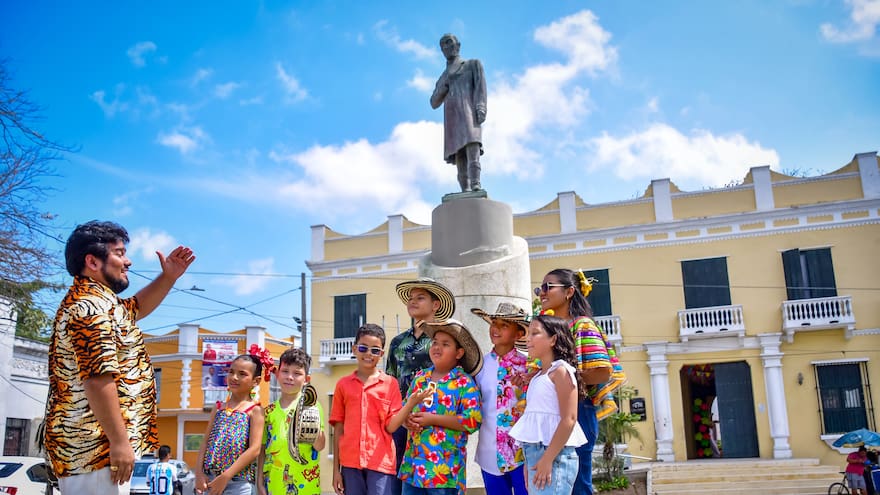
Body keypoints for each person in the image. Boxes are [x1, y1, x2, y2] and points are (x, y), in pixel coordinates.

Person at [43, 220, 196, 495]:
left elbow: (136, 308)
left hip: (98, 452)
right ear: (92, 261)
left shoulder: (102, 302)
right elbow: (97, 378)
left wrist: (169, 277)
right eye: (119, 253)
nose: (128, 261)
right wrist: (119, 442)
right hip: (93, 450)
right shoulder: (88, 307)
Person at [535, 268, 625, 495]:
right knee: (555, 481)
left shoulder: (581, 325)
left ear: (569, 292)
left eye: (548, 287)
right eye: (539, 289)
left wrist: (563, 379)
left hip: (578, 408)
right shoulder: (548, 329)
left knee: (575, 480)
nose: (541, 293)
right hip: (550, 410)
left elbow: (603, 372)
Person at [386, 278, 456, 495]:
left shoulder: (444, 339)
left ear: (435, 305)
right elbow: (390, 383)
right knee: (401, 480)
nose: (413, 302)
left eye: (420, 298)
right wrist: (402, 416)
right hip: (401, 420)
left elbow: (453, 380)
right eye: (411, 298)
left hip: (435, 421)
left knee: (438, 482)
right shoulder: (397, 342)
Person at [398, 319, 483, 495]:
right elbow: (405, 409)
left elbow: (473, 421)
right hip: (413, 468)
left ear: (459, 353)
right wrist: (408, 422)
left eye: (445, 344)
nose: (437, 347)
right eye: (435, 342)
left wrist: (432, 419)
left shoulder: (464, 383)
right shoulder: (420, 378)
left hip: (445, 472)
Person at [510, 314, 587, 495]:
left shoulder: (561, 371)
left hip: (554, 456)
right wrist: (529, 463)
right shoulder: (538, 376)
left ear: (553, 339)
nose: (528, 339)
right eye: (528, 334)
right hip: (537, 453)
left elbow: (569, 419)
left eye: (535, 333)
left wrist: (547, 459)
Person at [330, 324, 403, 495]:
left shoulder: (390, 384)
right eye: (363, 348)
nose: (369, 354)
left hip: (381, 463)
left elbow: (391, 426)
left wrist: (411, 404)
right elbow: (338, 429)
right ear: (354, 349)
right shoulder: (342, 385)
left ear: (382, 354)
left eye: (375, 350)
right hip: (349, 464)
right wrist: (336, 471)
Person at [470, 303, 529, 495]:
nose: (496, 329)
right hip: (489, 450)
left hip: (523, 453)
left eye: (504, 325)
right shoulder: (480, 366)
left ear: (519, 334)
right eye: (494, 323)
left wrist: (525, 388)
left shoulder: (528, 367)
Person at [195, 351, 270, 495]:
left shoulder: (255, 411)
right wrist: (198, 473)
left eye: (242, 374)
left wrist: (226, 476)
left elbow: (255, 450)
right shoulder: (218, 408)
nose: (234, 377)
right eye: (231, 372)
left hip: (238, 483)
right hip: (210, 480)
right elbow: (205, 442)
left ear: (256, 381)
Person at [258, 347, 325, 495]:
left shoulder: (313, 406)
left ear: (306, 379)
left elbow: (320, 446)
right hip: (273, 485)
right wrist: (259, 482)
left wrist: (310, 423)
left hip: (307, 487)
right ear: (277, 373)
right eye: (285, 371)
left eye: (297, 373)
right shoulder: (268, 411)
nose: (290, 377)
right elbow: (262, 449)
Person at [431, 33, 487, 192]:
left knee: (472, 146)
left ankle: (476, 183)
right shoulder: (443, 77)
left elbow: (480, 88)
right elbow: (433, 102)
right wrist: (443, 89)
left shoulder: (472, 65)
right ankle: (465, 190)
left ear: (458, 45)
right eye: (444, 46)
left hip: (469, 112)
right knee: (459, 154)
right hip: (452, 118)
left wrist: (481, 107)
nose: (448, 47)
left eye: (450, 43)